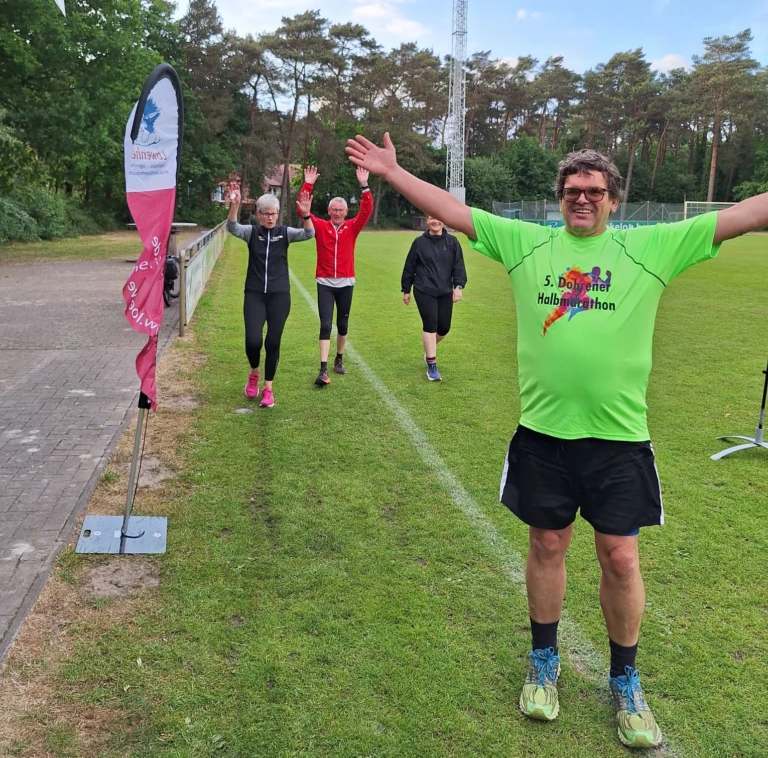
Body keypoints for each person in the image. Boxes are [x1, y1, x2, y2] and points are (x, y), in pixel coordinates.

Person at [345, 132, 768, 751]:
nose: (583, 199)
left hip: (619, 440)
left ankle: (625, 679)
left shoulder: (652, 246)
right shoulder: (529, 243)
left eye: (594, 191)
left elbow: (745, 215)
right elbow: (453, 209)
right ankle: (544, 661)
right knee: (547, 544)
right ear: (560, 197)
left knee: (620, 558)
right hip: (543, 435)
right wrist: (392, 172)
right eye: (573, 190)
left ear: (613, 200)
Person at [226, 183, 315, 408]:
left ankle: (268, 388)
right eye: (266, 214)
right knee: (253, 341)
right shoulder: (251, 233)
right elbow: (232, 227)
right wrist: (234, 206)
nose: (270, 218)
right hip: (255, 294)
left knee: (273, 342)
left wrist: (306, 215)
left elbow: (309, 233)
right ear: (258, 214)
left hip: (279, 296)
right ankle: (254, 372)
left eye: (274, 214)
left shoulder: (284, 233)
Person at [297, 165, 373, 387]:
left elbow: (367, 210)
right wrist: (308, 184)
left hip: (346, 283)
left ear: (346, 212)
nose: (337, 213)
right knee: (325, 324)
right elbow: (302, 209)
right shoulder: (320, 226)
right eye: (334, 210)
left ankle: (339, 358)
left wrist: (364, 185)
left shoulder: (352, 227)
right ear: (329, 211)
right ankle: (322, 369)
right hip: (325, 283)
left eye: (341, 210)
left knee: (342, 324)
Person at [401, 215, 467, 381]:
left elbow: (458, 265)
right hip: (424, 289)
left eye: (438, 218)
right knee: (430, 325)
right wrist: (406, 289)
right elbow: (410, 266)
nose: (435, 221)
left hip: (445, 290)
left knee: (443, 328)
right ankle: (432, 366)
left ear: (443, 220)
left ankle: (429, 349)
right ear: (427, 221)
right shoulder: (419, 242)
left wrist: (458, 286)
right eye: (431, 218)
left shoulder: (452, 242)